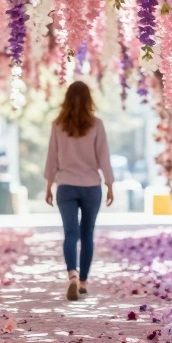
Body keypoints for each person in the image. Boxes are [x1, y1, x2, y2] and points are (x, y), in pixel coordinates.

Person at [44, 81, 114, 301]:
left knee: (70, 233)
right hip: (91, 186)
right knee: (87, 234)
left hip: (65, 186)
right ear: (88, 100)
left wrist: (48, 186)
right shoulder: (96, 124)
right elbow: (103, 157)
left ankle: (72, 274)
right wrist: (109, 184)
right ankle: (83, 282)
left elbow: (52, 158)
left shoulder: (58, 125)